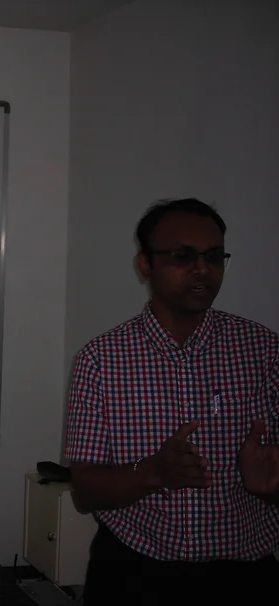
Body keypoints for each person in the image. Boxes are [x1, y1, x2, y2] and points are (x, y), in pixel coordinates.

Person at [64, 198, 279, 605]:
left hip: (244, 577)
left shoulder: (263, 351)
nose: (202, 269)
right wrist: (154, 473)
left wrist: (268, 489)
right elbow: (86, 491)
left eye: (213, 256)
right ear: (145, 265)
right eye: (183, 256)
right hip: (133, 573)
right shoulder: (101, 359)